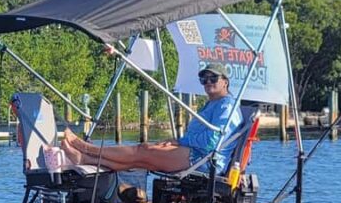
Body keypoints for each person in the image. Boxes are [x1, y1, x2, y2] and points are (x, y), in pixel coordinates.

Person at [60, 62, 243, 173]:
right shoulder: (213, 104)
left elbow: (212, 141)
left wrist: (181, 142)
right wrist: (177, 141)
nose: (208, 82)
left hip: (203, 160)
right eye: (204, 79)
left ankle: (86, 148)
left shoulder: (226, 105)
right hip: (195, 152)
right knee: (140, 160)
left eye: (213, 78)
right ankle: (84, 159)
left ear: (225, 82)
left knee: (142, 149)